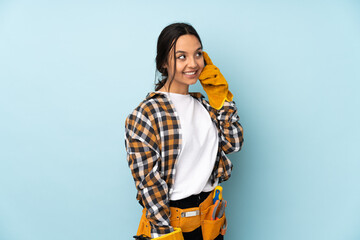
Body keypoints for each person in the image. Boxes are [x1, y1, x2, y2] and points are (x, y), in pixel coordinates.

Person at [124, 22, 244, 240]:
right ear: (163, 63)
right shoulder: (146, 115)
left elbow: (233, 142)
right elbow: (149, 184)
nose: (193, 63)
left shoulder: (206, 107)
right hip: (171, 225)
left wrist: (221, 97)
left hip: (210, 221)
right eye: (182, 56)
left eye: (198, 54)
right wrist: (165, 233)